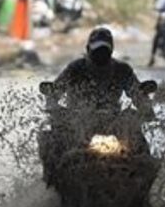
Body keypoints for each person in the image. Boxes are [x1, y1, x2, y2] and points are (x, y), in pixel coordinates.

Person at [40, 27, 153, 182]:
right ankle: (53, 180)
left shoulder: (122, 70)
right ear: (88, 49)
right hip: (77, 124)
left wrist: (146, 109)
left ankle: (143, 183)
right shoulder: (75, 69)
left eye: (104, 51)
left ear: (111, 51)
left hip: (113, 124)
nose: (101, 55)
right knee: (52, 141)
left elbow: (137, 94)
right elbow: (54, 92)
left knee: (140, 145)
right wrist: (54, 110)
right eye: (97, 51)